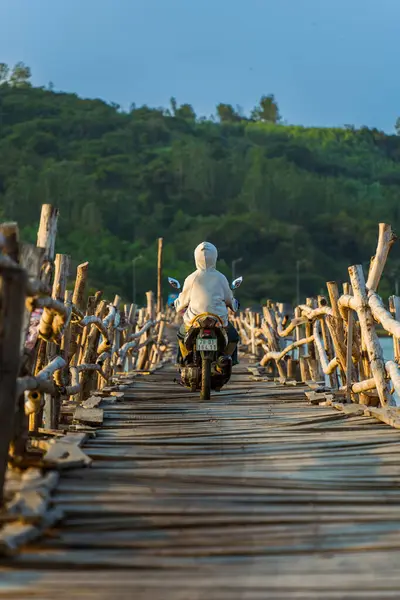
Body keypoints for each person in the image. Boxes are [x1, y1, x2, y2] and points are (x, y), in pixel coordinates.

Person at [174, 241, 240, 365]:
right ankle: (228, 359)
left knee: (181, 335)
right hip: (218, 319)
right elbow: (229, 299)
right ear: (215, 257)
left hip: (194, 320)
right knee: (233, 336)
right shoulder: (221, 278)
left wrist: (177, 305)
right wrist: (233, 305)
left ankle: (184, 359)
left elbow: (182, 301)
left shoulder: (192, 278)